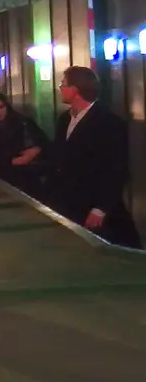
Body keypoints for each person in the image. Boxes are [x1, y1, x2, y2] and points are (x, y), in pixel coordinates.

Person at [52, 66, 141, 248]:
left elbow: (115, 169)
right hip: (68, 202)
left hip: (95, 206)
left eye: (63, 84)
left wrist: (100, 208)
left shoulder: (109, 123)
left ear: (75, 90)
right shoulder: (64, 119)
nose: (60, 88)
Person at [0, 93, 48, 196]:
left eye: (0, 107)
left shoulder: (22, 121)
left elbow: (44, 142)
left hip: (27, 179)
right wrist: (11, 161)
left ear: (6, 106)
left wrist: (35, 151)